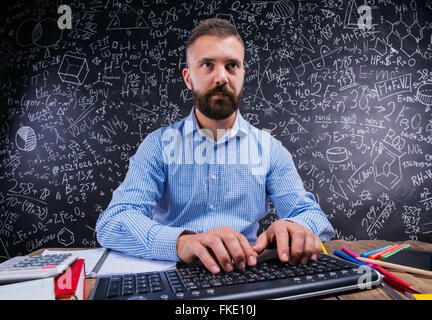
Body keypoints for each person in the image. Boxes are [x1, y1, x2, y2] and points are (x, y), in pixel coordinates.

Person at [96, 18, 334, 274]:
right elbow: (113, 221)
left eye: (232, 66)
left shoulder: (270, 150)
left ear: (241, 76)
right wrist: (180, 242)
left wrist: (295, 225)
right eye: (207, 65)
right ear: (188, 78)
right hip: (175, 273)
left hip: (249, 272)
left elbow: (314, 217)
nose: (221, 77)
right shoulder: (158, 146)